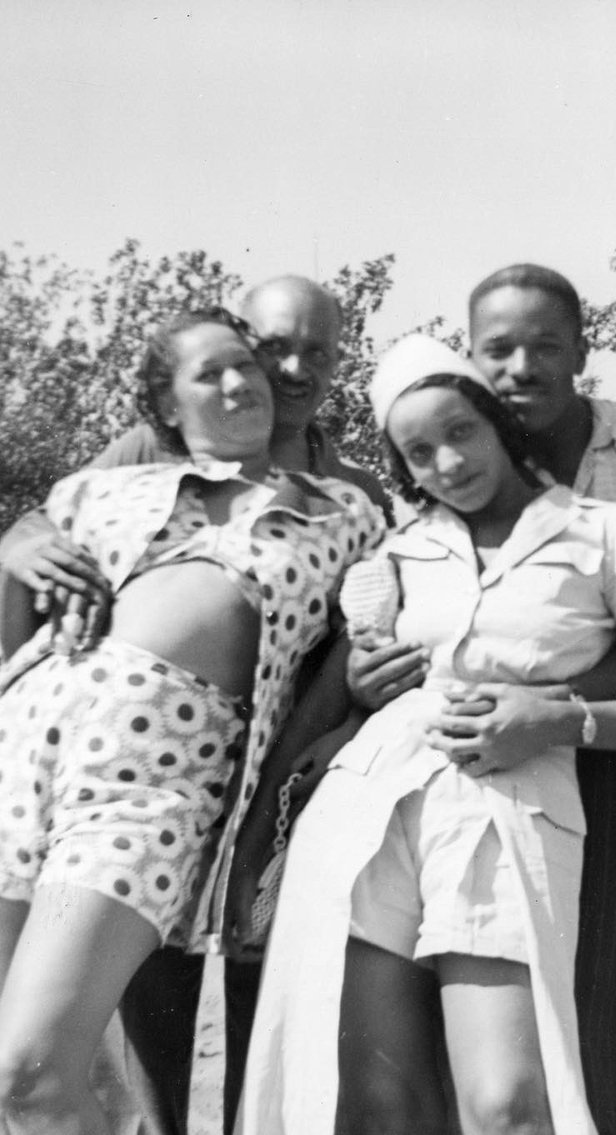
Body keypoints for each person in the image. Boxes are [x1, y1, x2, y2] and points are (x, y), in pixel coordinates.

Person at [238, 335, 616, 1134]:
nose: (448, 462)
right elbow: (349, 683)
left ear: (496, 421)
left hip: (508, 807)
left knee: (505, 1103)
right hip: (370, 812)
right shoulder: (397, 550)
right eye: (419, 451)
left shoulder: (605, 533)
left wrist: (560, 718)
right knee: (377, 1100)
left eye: (461, 431)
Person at [0, 275, 389, 1135]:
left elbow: (346, 667)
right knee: (50, 1077)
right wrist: (14, 546)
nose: (250, 380)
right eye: (214, 372)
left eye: (247, 365)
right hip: (22, 760)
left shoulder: (350, 509)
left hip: (152, 784)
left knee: (26, 1070)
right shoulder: (104, 485)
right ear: (163, 409)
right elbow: (17, 607)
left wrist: (265, 836)